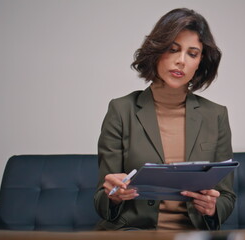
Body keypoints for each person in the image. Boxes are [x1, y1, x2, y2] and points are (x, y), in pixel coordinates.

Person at [94, 8, 235, 231]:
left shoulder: (216, 115)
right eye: (173, 49)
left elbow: (226, 197)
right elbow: (101, 201)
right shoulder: (121, 110)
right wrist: (114, 195)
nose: (181, 61)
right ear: (157, 51)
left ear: (200, 61)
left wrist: (213, 207)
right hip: (133, 232)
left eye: (192, 53)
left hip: (192, 234)